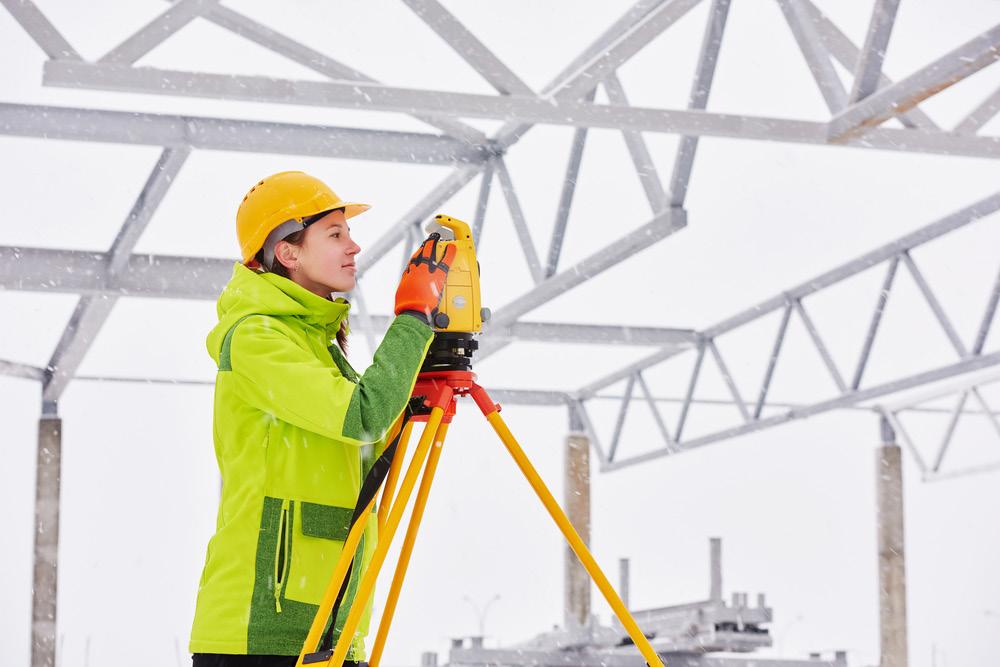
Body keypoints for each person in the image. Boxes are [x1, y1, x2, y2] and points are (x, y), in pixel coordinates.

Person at [189, 171, 455, 666]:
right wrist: (414, 319)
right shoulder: (257, 339)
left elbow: (366, 442)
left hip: (330, 626)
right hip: (262, 632)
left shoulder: (318, 344)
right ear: (288, 253)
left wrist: (417, 364)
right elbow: (364, 416)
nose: (354, 246)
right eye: (335, 234)